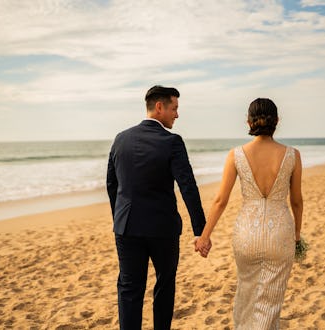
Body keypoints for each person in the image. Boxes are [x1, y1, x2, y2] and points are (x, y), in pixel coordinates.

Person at [107, 85, 210, 330]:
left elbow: (112, 184)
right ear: (159, 107)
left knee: (130, 289)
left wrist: (119, 217)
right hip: (162, 229)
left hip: (127, 227)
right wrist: (200, 231)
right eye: (174, 108)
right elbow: (188, 187)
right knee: (164, 285)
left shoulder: (120, 138)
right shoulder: (172, 142)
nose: (177, 114)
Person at [195, 98, 303, 329]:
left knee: (246, 295)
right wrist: (297, 235)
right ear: (277, 122)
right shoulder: (293, 155)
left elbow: (220, 201)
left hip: (247, 233)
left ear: (248, 121)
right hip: (280, 232)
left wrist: (205, 236)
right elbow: (296, 201)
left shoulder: (236, 155)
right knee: (271, 302)